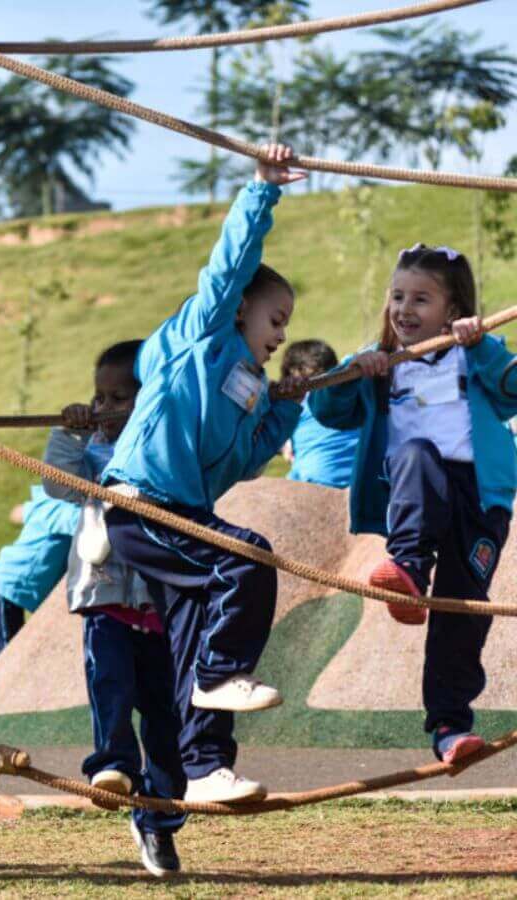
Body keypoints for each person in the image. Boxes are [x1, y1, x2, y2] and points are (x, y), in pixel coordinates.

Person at [100, 144, 308, 805]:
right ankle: (221, 675)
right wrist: (263, 191)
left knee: (198, 634)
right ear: (241, 309)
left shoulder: (247, 384)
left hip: (185, 510)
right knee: (245, 561)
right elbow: (228, 269)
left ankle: (204, 768)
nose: (279, 334)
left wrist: (284, 407)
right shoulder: (204, 336)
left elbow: (241, 463)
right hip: (142, 504)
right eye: (275, 320)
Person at [309, 244, 517, 764]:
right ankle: (407, 568)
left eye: (421, 299)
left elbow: (514, 390)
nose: (405, 308)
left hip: (480, 500)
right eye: (397, 296)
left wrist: (484, 345)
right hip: (416, 491)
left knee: (463, 610)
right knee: (418, 454)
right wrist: (357, 369)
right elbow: (324, 407)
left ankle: (449, 726)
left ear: (451, 311)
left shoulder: (475, 353)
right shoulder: (383, 364)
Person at [44, 340, 186, 878]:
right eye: (97, 397)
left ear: (145, 403)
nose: (103, 408)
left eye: (117, 398)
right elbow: (57, 483)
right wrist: (71, 430)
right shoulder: (91, 457)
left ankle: (160, 818)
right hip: (106, 599)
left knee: (165, 715)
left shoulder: (164, 458)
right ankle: (113, 766)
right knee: (111, 687)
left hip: (161, 606)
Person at [0, 487, 78, 679]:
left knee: (0, 654)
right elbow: (80, 523)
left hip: (4, 588)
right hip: (5, 589)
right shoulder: (61, 508)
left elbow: (19, 512)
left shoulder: (50, 503)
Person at [279, 340, 358, 489]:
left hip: (313, 481)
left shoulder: (295, 404)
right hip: (360, 484)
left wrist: (285, 443)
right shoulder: (354, 400)